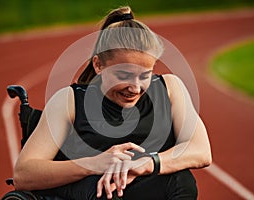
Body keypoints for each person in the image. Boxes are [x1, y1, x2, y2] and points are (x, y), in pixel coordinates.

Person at [13, 6, 212, 200]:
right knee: (105, 191)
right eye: (124, 75)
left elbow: (201, 151)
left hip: (142, 183)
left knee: (181, 182)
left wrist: (147, 163)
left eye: (145, 75)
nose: (135, 88)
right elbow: (24, 174)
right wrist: (94, 164)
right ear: (98, 65)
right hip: (91, 188)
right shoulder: (69, 100)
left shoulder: (169, 88)